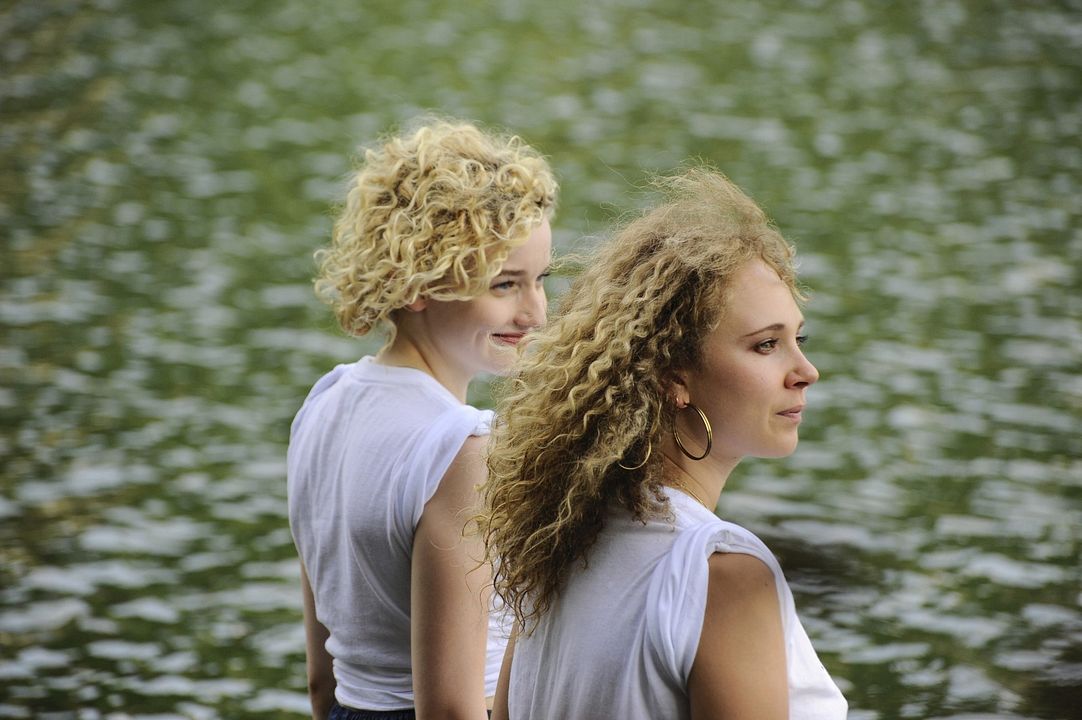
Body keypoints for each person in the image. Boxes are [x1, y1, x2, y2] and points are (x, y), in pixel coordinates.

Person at [480, 168, 847, 719]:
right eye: (766, 345)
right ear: (674, 376)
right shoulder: (725, 576)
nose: (806, 371)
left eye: (800, 339)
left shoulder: (556, 546)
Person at [287, 118, 557, 720]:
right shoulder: (459, 446)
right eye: (505, 284)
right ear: (420, 285)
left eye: (542, 279)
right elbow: (451, 710)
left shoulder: (323, 404)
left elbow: (321, 681)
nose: (535, 311)